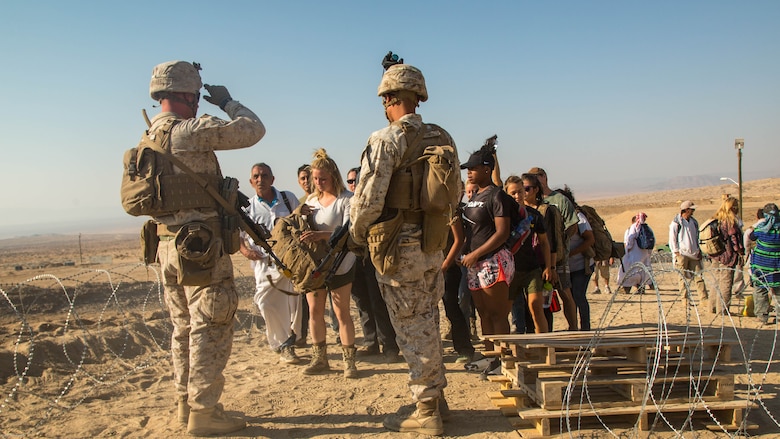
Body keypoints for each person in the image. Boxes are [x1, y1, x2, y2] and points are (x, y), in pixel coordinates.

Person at [146, 61, 265, 435]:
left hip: (167, 244)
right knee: (210, 326)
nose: (199, 103)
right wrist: (228, 102)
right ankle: (204, 412)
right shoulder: (190, 132)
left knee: (182, 328)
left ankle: (185, 403)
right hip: (199, 248)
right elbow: (253, 130)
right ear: (185, 95)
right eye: (196, 96)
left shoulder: (148, 137)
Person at [350, 59, 457, 435]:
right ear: (420, 96)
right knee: (428, 320)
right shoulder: (442, 136)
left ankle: (427, 412)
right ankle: (438, 401)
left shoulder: (385, 139)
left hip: (398, 247)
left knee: (412, 329)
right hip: (432, 242)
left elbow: (367, 201)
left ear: (389, 98)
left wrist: (357, 234)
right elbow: (452, 195)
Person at [300, 149, 358, 378]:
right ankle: (320, 358)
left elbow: (348, 231)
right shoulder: (311, 200)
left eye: (322, 178)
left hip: (340, 262)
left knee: (341, 311)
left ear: (333, 176)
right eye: (315, 178)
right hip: (315, 262)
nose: (318, 182)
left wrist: (322, 235)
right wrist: (301, 216)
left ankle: (349, 361)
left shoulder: (347, 199)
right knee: (315, 310)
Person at [239, 163, 303, 365]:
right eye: (256, 176)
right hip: (264, 265)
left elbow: (300, 223)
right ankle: (283, 342)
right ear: (251, 181)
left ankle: (288, 341)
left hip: (290, 261)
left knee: (293, 303)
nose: (260, 179)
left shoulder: (288, 199)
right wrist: (246, 251)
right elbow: (239, 236)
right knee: (265, 302)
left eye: (264, 175)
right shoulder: (248, 208)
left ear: (272, 179)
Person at [461, 142, 516, 350]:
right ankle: (489, 356)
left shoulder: (496, 195)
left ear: (486, 169)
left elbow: (502, 233)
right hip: (475, 263)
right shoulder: (475, 196)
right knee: (483, 313)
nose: (469, 172)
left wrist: (476, 253)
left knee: (497, 313)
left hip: (493, 260)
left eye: (473, 168)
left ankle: (503, 357)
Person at [348, 166, 401, 361]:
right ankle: (371, 342)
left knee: (378, 301)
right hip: (354, 258)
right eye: (351, 181)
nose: (354, 184)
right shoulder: (350, 202)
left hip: (374, 256)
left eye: (357, 180)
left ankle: (389, 346)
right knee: (361, 301)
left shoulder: (377, 202)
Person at [527, 167, 579, 330]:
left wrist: (562, 244)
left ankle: (573, 328)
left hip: (558, 257)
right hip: (537, 259)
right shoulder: (527, 208)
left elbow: (571, 225)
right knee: (541, 298)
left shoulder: (557, 202)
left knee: (565, 293)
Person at [504, 174, 552, 333]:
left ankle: (545, 350)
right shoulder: (504, 216)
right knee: (504, 312)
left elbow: (544, 243)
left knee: (536, 309)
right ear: (506, 194)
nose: (517, 196)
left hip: (531, 269)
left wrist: (548, 267)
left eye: (520, 191)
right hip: (510, 270)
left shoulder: (533, 215)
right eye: (513, 193)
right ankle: (506, 350)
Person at [559, 186, 595, 330]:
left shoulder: (578, 218)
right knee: (569, 298)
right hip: (567, 266)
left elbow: (590, 239)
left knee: (578, 296)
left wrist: (569, 253)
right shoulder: (557, 218)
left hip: (581, 265)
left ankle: (585, 328)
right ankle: (573, 327)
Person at [709, 196, 745, 315]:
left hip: (716, 255)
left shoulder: (717, 219)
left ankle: (712, 307)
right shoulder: (730, 222)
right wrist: (740, 251)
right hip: (727, 257)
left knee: (716, 282)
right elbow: (734, 239)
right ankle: (723, 310)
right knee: (726, 283)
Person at [669, 200, 708, 302]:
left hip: (694, 253)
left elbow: (696, 237)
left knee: (699, 277)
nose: (693, 211)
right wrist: (676, 252)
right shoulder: (676, 223)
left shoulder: (694, 222)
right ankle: (684, 299)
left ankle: (703, 299)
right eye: (691, 209)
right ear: (686, 210)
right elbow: (672, 238)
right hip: (682, 253)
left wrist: (699, 250)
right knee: (682, 278)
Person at [749, 203, 780, 324]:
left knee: (761, 290)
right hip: (777, 265)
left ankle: (762, 316)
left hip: (761, 265)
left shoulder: (761, 230)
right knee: (778, 291)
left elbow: (751, 236)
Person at [617, 213, 654, 294]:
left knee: (629, 270)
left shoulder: (634, 227)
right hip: (644, 253)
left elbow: (630, 238)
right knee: (642, 270)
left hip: (634, 252)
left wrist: (628, 248)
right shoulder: (647, 228)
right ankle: (641, 288)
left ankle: (626, 288)